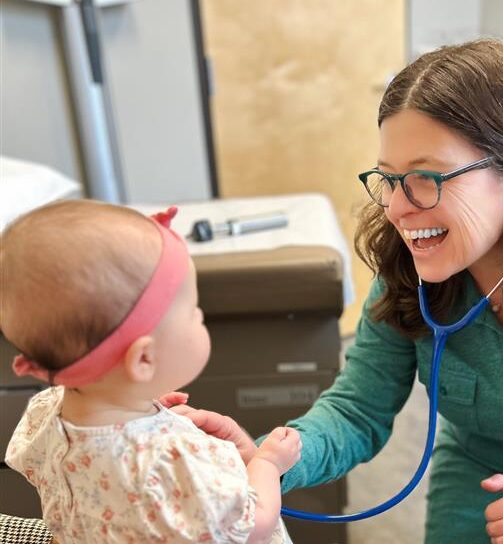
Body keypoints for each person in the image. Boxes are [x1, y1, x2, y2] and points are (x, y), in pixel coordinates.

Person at [176, 39, 503, 543]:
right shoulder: (408, 274)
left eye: (425, 177)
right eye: (389, 179)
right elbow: (357, 410)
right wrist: (268, 459)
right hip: (479, 481)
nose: (397, 209)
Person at [1, 200, 301, 544]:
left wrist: (140, 406)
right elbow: (252, 526)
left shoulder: (46, 413)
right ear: (143, 359)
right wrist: (268, 464)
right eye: (193, 311)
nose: (201, 317)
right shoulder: (170, 460)